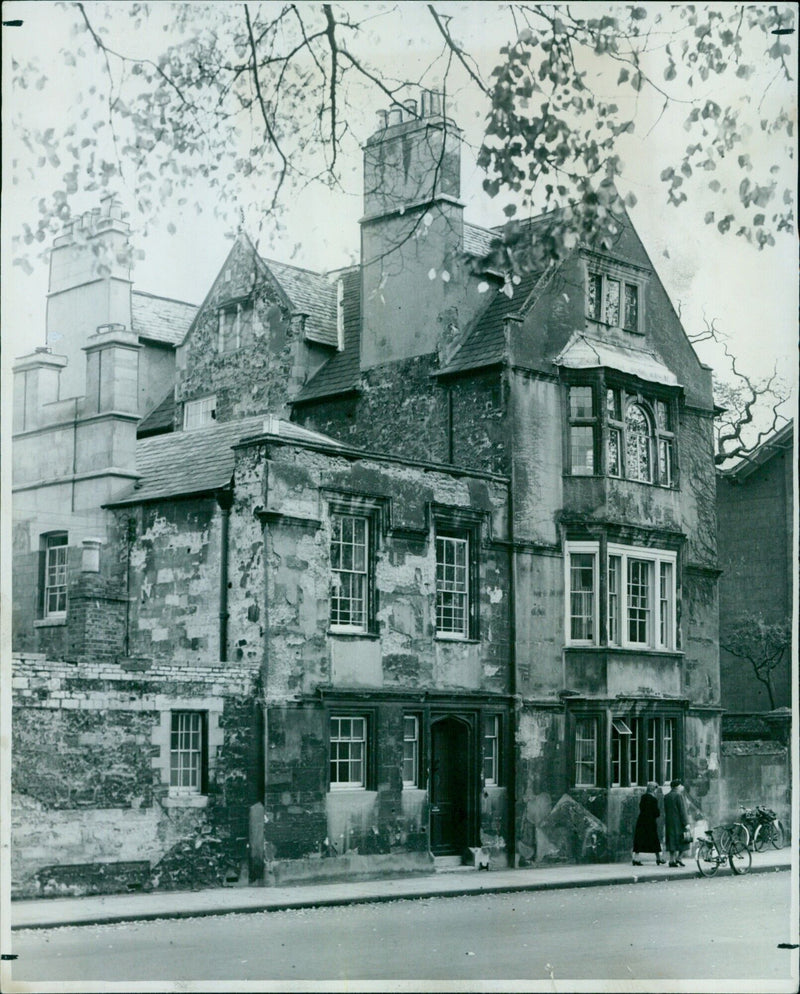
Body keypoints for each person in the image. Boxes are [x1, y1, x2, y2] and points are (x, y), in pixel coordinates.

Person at [632, 781, 664, 865]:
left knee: (639, 839)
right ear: (654, 789)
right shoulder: (653, 799)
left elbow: (641, 808)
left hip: (642, 820)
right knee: (654, 840)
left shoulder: (643, 797)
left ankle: (636, 858)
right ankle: (658, 858)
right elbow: (656, 812)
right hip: (650, 821)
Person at [663, 778, 691, 867]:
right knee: (684, 840)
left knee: (672, 840)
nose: (682, 787)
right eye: (680, 785)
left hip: (669, 821)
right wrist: (686, 823)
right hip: (679, 822)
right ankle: (679, 858)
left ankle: (672, 860)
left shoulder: (666, 796)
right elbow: (682, 810)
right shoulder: (679, 796)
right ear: (677, 787)